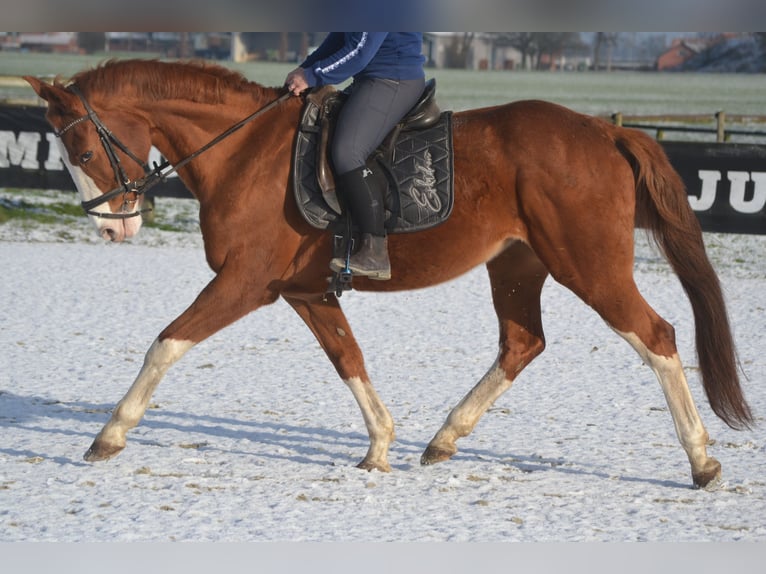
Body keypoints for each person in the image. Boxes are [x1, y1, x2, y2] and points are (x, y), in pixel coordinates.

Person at [285, 32, 426, 280]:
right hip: (371, 78)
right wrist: (306, 67)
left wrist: (311, 75)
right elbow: (341, 37)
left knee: (347, 152)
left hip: (392, 79)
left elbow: (360, 52)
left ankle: (375, 251)